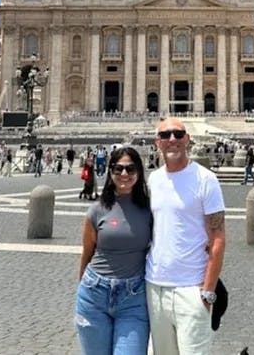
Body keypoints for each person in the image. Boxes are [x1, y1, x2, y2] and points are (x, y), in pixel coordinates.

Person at [146, 118, 226, 354]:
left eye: (178, 134)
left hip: (192, 288)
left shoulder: (206, 179)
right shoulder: (154, 179)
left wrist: (208, 290)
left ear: (188, 139)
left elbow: (218, 238)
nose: (172, 140)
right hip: (155, 286)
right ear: (157, 142)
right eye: (166, 135)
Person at [75, 147, 152, 355]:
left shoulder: (151, 209)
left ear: (139, 172)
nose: (124, 174)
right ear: (110, 172)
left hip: (133, 298)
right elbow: (87, 254)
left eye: (130, 169)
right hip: (94, 293)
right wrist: (82, 286)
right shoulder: (96, 209)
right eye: (118, 169)